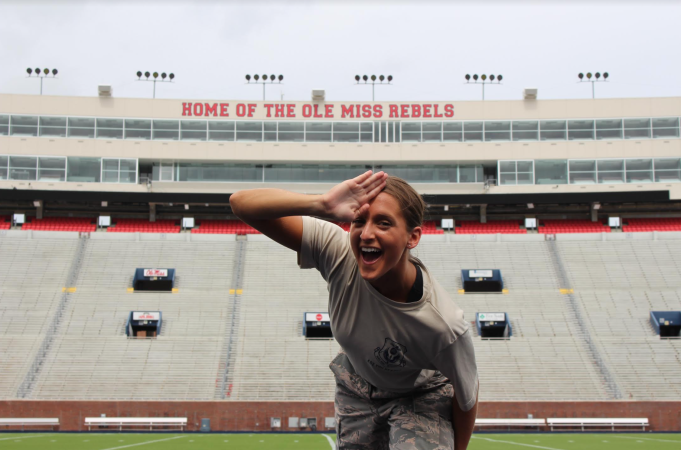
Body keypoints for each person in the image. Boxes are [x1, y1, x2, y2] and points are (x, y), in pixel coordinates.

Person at [230, 170, 479, 450]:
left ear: (413, 237)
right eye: (359, 221)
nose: (367, 234)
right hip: (357, 389)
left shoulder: (444, 324)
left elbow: (467, 398)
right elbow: (240, 203)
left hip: (419, 395)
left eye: (384, 224)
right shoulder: (337, 250)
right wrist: (320, 205)